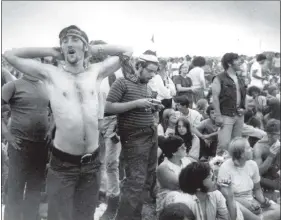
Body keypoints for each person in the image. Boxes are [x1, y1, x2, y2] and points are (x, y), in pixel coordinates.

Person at [4, 25, 133, 220]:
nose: (68, 44)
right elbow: (10, 55)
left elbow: (127, 50)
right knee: (59, 217)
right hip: (63, 164)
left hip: (92, 163)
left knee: (85, 215)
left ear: (85, 46)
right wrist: (53, 51)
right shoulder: (51, 74)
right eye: (64, 41)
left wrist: (92, 48)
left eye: (74, 40)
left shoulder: (96, 72)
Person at [105, 52, 162, 220]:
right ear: (138, 67)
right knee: (135, 181)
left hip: (150, 135)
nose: (152, 75)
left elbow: (140, 109)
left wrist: (152, 108)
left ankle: (135, 216)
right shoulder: (122, 83)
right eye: (150, 71)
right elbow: (108, 106)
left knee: (147, 178)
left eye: (155, 72)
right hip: (134, 138)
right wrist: (137, 103)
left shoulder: (146, 87)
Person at [2, 74, 50, 220]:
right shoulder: (13, 85)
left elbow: (55, 111)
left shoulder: (46, 86)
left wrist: (51, 128)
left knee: (34, 190)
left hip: (41, 146)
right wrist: (6, 134)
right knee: (15, 190)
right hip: (19, 146)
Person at [218, 137, 280, 220]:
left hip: (252, 202)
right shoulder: (225, 167)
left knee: (279, 210)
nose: (252, 149)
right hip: (235, 205)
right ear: (241, 154)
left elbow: (257, 189)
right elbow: (225, 197)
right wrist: (245, 203)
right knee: (236, 205)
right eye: (248, 148)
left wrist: (266, 202)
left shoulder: (252, 165)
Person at [162, 162, 243, 220]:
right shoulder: (185, 203)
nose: (216, 179)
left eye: (214, 175)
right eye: (211, 178)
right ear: (198, 187)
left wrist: (230, 197)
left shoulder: (216, 194)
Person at [212, 53, 247, 154]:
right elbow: (215, 98)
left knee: (236, 145)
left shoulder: (240, 79)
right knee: (224, 145)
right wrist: (218, 116)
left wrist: (245, 109)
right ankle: (217, 167)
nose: (240, 62)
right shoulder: (219, 78)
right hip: (225, 115)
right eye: (237, 60)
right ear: (229, 63)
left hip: (239, 116)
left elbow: (244, 96)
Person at [156, 136, 194, 214]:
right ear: (174, 152)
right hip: (170, 198)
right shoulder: (163, 167)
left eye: (185, 145)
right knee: (180, 198)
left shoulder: (186, 161)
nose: (185, 148)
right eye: (182, 147)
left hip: (188, 192)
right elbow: (179, 185)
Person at [253, 119, 280, 191]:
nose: (279, 137)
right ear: (269, 135)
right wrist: (270, 156)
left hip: (275, 173)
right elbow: (257, 173)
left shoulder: (278, 141)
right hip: (263, 177)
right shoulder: (259, 147)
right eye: (278, 135)